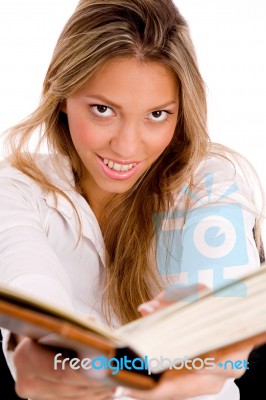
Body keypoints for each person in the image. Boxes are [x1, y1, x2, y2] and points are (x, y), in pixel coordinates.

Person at [0, 0, 265, 399]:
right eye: (102, 109)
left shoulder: (208, 185)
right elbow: (29, 286)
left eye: (157, 114)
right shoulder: (18, 188)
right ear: (61, 95)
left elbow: (226, 349)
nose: (127, 147)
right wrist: (38, 347)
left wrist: (210, 340)